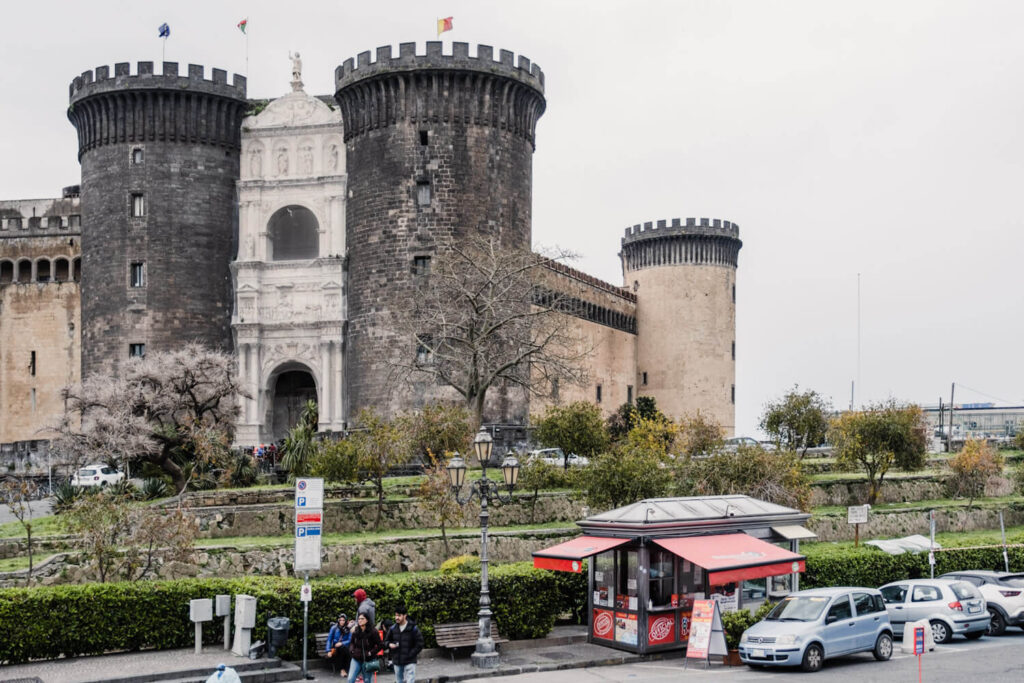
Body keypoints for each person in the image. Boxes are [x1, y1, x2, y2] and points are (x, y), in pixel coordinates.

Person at [384, 605, 423, 683]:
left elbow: (420, 644)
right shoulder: (392, 628)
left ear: (405, 615)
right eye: (395, 615)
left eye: (399, 615)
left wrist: (411, 654)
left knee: (410, 680)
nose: (396, 618)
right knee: (399, 681)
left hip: (410, 660)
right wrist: (389, 645)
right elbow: (385, 641)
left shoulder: (413, 628)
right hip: (397, 660)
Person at [348, 612, 382, 683]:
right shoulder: (356, 630)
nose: (360, 620)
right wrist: (352, 650)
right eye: (359, 619)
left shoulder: (373, 631)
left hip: (368, 660)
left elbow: (380, 645)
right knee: (350, 679)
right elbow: (352, 642)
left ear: (367, 620)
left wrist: (371, 653)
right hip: (356, 658)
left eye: (362, 619)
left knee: (367, 680)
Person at [325, 613, 352, 677]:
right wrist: (328, 650)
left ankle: (344, 669)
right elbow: (329, 639)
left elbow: (349, 640)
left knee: (343, 648)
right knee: (342, 649)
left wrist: (342, 643)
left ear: (346, 621)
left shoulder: (348, 629)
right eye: (340, 620)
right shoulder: (334, 628)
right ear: (338, 620)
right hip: (335, 649)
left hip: (345, 648)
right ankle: (343, 670)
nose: (342, 622)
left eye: (343, 620)